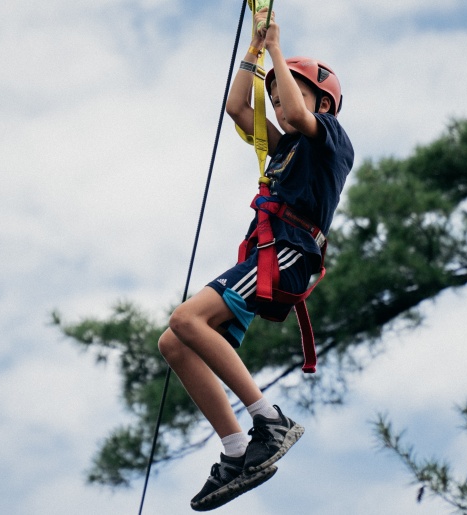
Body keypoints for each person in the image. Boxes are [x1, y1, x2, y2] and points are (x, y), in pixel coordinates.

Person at [157, 7, 354, 511]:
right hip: (268, 254)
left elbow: (296, 111)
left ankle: (270, 419)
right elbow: (237, 108)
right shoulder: (283, 147)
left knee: (186, 318)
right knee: (174, 342)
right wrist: (253, 54)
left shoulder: (330, 140)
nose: (280, 100)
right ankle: (237, 447)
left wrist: (278, 52)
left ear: (323, 103)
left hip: (290, 253)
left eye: (293, 91)